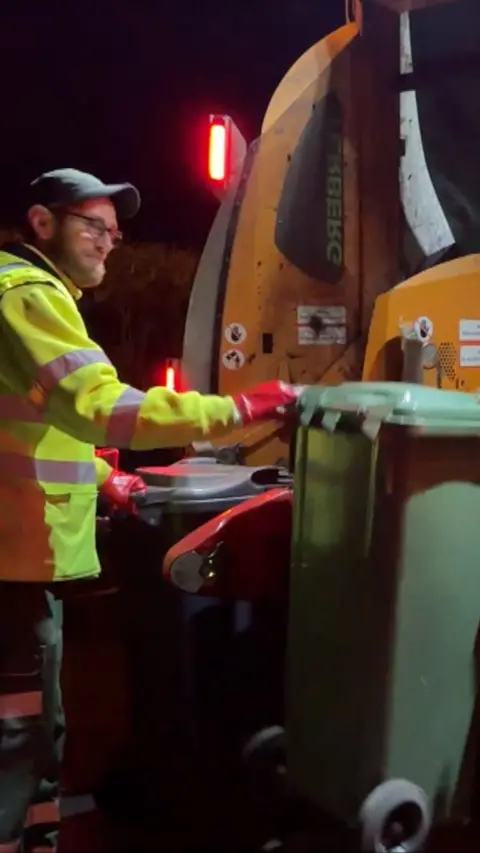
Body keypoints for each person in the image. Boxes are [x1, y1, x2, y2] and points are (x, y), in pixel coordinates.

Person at [0, 167, 300, 853]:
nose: (109, 242)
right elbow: (103, 405)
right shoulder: (27, 294)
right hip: (11, 561)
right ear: (43, 224)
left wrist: (104, 479)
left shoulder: (32, 293)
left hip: (20, 555)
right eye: (92, 226)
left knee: (37, 725)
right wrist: (240, 407)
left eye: (113, 230)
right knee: (20, 732)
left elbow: (34, 420)